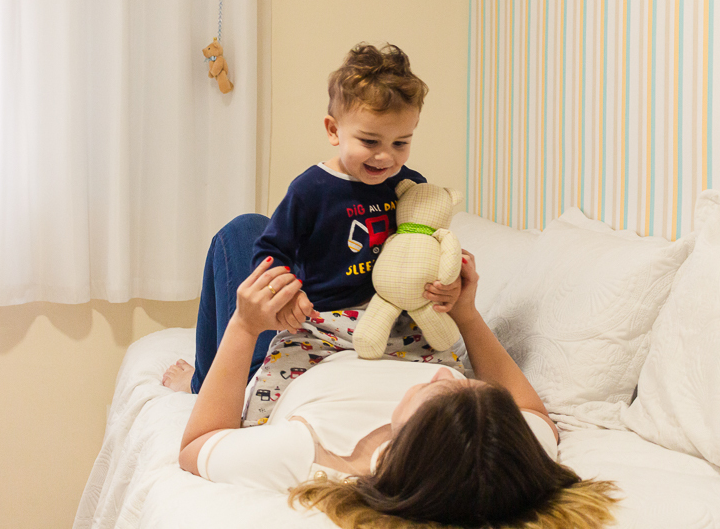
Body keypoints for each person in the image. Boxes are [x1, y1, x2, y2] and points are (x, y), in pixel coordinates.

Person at [175, 250, 618, 529]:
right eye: (468, 383)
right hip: (404, 339)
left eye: (436, 394)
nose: (444, 376)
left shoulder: (308, 451)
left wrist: (244, 326)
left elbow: (198, 444)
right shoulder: (497, 446)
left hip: (302, 350)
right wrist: (465, 313)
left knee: (244, 234)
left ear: (402, 447)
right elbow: (533, 413)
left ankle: (199, 380)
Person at [163, 43, 463, 427]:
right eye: (370, 142)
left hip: (392, 318)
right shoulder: (311, 189)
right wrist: (286, 293)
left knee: (451, 368)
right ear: (334, 130)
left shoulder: (409, 185)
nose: (386, 157)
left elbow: (426, 248)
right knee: (264, 396)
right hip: (320, 321)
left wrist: (447, 287)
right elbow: (271, 250)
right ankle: (210, 393)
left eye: (400, 143)